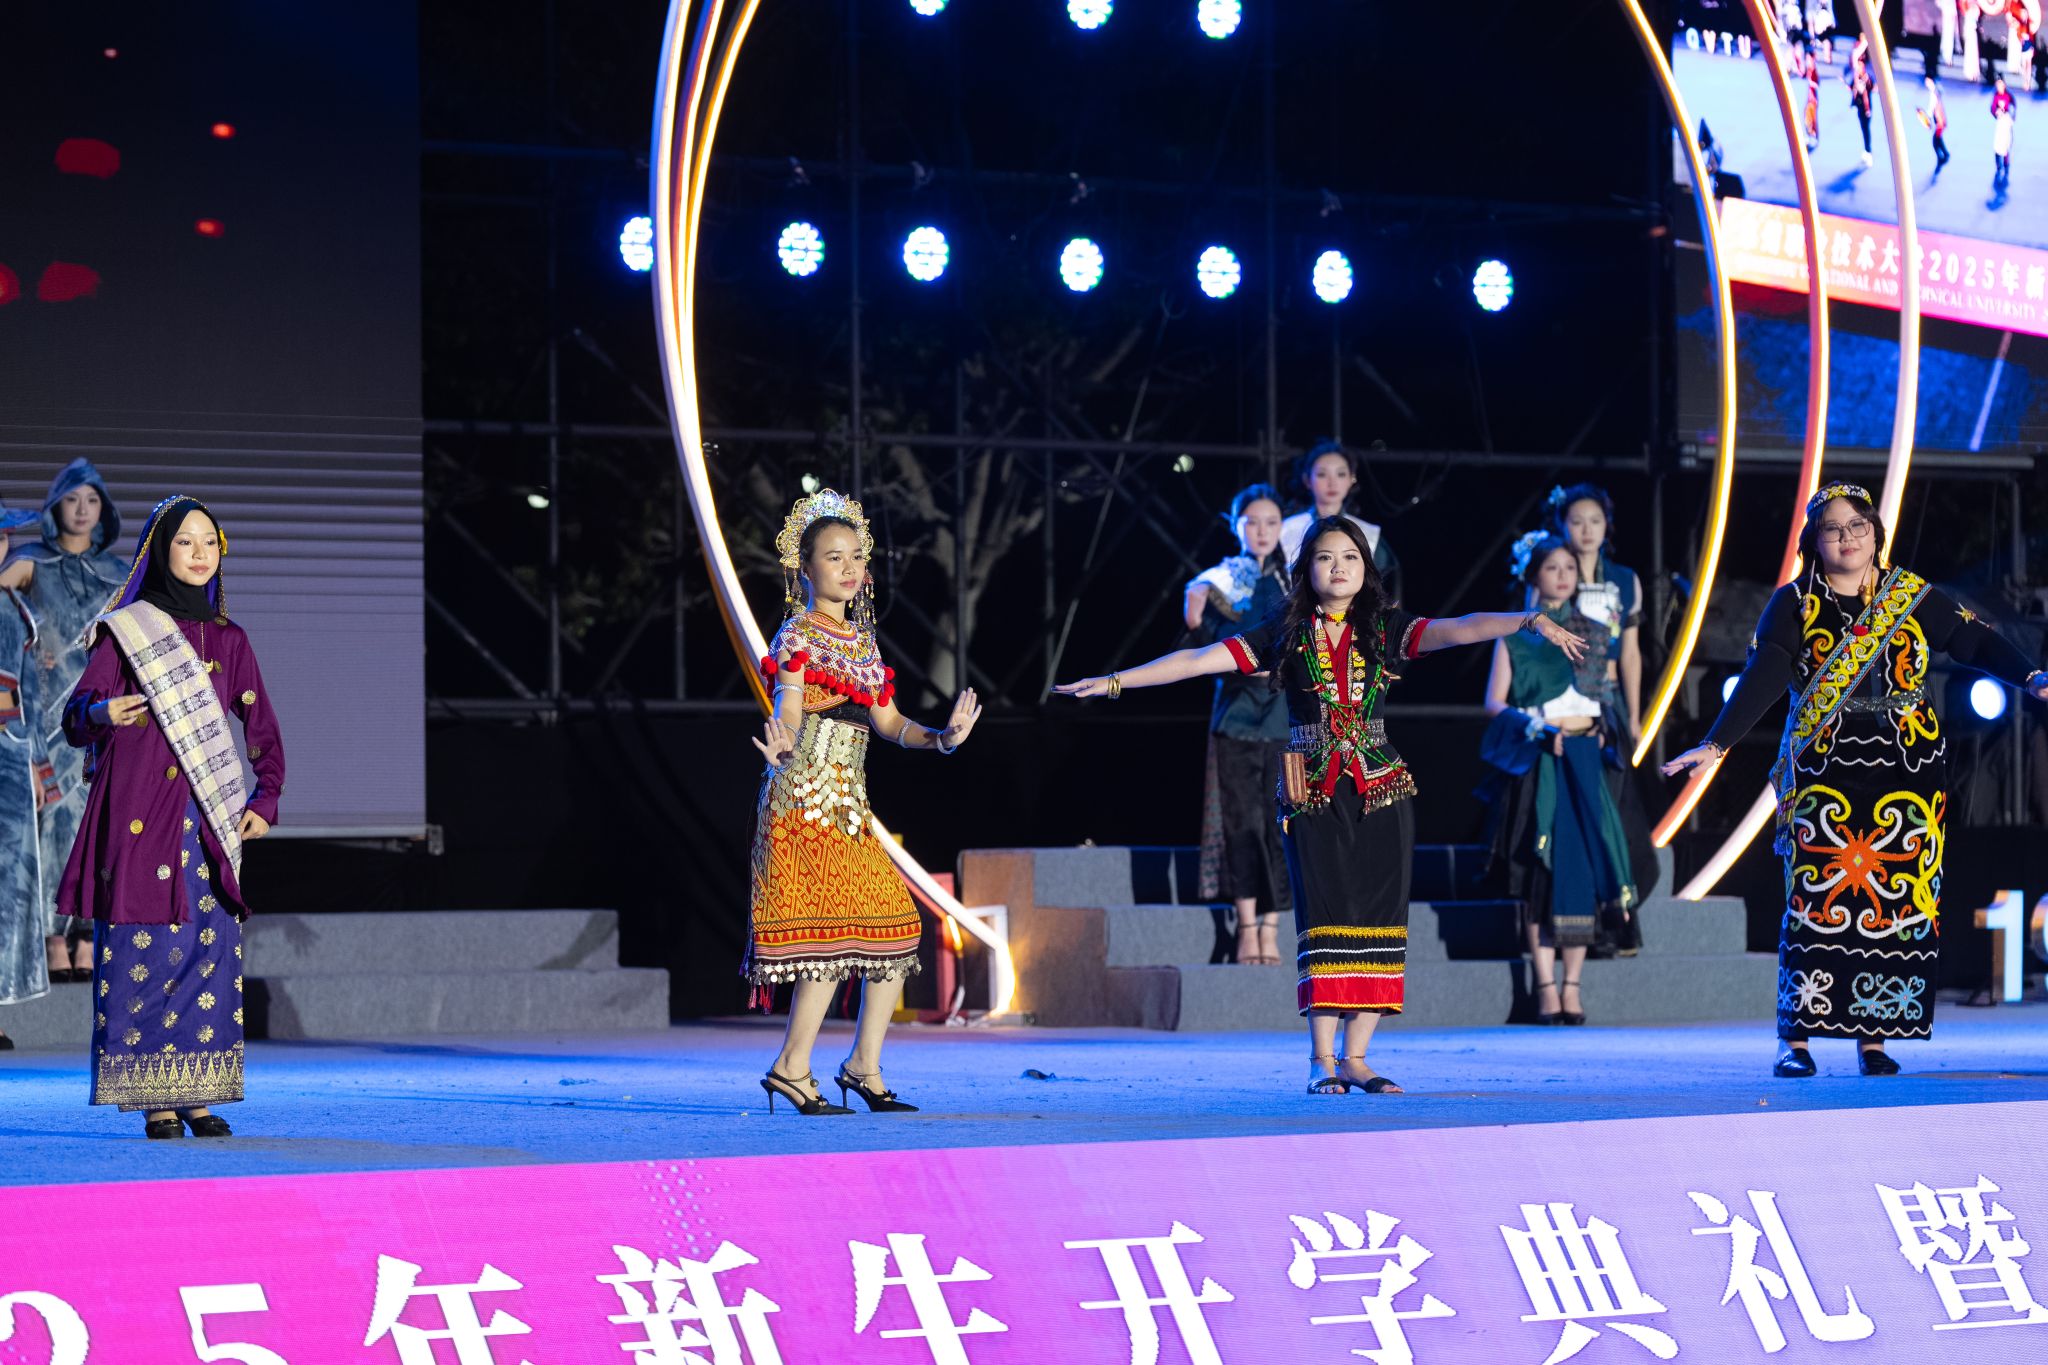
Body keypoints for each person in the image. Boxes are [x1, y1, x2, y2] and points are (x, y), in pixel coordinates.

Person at [1058, 517, 1585, 1095]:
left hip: (1382, 789)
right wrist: (1115, 681)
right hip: (1312, 791)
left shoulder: (1386, 627)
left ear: (1366, 568)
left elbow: (1460, 628)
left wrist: (1528, 620)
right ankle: (1322, 1059)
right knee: (1326, 916)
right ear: (1306, 568)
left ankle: (1358, 1058)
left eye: (1351, 557)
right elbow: (1197, 660)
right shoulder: (1284, 632)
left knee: (1380, 920)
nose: (1339, 567)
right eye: (1326, 557)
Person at [1664, 484, 2047, 1078]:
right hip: (1825, 769)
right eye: (1833, 529)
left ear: (1875, 533)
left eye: (1857, 526)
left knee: (1894, 903)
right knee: (1815, 900)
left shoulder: (1910, 595)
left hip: (1906, 770)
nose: (1847, 538)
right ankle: (1796, 1040)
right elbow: (1765, 674)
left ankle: (1874, 1039)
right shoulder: (1794, 603)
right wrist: (1717, 743)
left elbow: (1972, 638)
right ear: (1814, 541)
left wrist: (2031, 677)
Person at [747, 489, 981, 1116]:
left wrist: (942, 738)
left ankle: (861, 1066)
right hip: (803, 800)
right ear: (805, 569)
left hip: (848, 807)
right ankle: (792, 1068)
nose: (849, 568)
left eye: (856, 556)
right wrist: (782, 740)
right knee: (832, 938)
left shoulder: (863, 643)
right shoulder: (797, 635)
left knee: (896, 930)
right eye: (834, 557)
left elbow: (890, 723)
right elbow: (789, 704)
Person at [60, 496, 283, 1138]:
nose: (199, 553)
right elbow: (74, 717)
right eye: (185, 541)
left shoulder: (230, 640)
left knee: (206, 951)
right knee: (145, 949)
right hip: (137, 817)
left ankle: (198, 1095)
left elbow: (263, 731)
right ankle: (154, 1099)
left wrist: (265, 800)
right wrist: (101, 713)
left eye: (209, 542)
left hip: (204, 816)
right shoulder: (126, 632)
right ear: (161, 551)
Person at [1483, 534, 1640, 1027]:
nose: (1563, 576)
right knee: (1542, 870)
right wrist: (1536, 728)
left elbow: (1603, 694)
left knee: (1584, 866)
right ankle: (1545, 985)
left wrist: (1604, 729)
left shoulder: (1593, 629)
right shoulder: (1514, 633)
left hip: (1585, 755)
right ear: (1533, 575)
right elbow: (1494, 702)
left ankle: (1572, 984)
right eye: (1552, 567)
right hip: (1542, 754)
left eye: (1569, 568)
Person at [0, 459, 128, 986]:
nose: (81, 509)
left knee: (102, 823)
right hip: (45, 719)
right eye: (72, 499)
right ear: (55, 506)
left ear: (104, 510)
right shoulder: (31, 561)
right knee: (54, 825)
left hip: (103, 715)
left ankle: (89, 932)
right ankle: (54, 935)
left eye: (91, 500)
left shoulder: (119, 574)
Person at [1182, 484, 1292, 965]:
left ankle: (1272, 927)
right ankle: (1247, 926)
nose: (1262, 531)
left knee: (1282, 823)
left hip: (1286, 717)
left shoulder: (1294, 581)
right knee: (1241, 824)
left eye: (1271, 522)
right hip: (1236, 715)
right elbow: (1201, 649)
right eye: (1252, 522)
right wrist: (1194, 618)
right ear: (1236, 526)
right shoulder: (1216, 582)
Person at [0, 500, 50, 1048]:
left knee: (10, 879)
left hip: (9, 749)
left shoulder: (16, 607)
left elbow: (29, 693)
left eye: (1, 537)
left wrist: (36, 763)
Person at [1277, 441, 1403, 605]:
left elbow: (1383, 589)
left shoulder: (1368, 533)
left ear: (1352, 478)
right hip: (1294, 614)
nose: (1332, 483)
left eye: (1341, 474)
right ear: (1307, 480)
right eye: (1322, 474)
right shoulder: (1285, 529)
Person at [1850, 48, 1875, 167]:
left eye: (1860, 66)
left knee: (1866, 129)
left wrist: (1861, 87)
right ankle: (1866, 150)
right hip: (1860, 108)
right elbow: (1852, 87)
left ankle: (1868, 152)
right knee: (1863, 128)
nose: (1858, 68)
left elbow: (1870, 88)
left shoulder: (1867, 78)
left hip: (1866, 109)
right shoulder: (1857, 78)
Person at [1920, 77, 1951, 174]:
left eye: (1928, 82)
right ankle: (1945, 153)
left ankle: (1941, 156)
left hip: (1940, 122)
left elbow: (1932, 108)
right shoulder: (1935, 92)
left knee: (1935, 141)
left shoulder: (1935, 94)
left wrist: (1926, 116)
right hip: (1940, 121)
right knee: (1938, 139)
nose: (1926, 84)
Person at [1991, 75, 2017, 186]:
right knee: (1998, 145)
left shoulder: (2008, 96)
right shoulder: (1996, 96)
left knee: (2005, 145)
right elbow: (1992, 107)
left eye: (2001, 85)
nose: (1999, 87)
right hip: (2000, 122)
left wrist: (2012, 116)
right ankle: (1998, 166)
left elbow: (2013, 106)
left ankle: (2006, 165)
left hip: (2006, 121)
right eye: (1998, 85)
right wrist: (1996, 112)